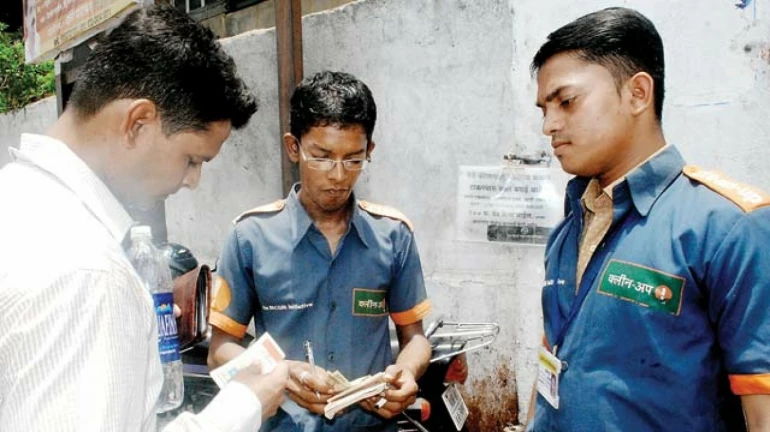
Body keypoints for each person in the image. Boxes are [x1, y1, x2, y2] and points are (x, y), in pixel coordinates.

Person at [0, 5, 288, 431]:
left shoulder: (19, 198)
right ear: (137, 122)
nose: (192, 181)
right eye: (191, 159)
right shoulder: (89, 274)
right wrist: (242, 407)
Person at [524, 7, 770, 431]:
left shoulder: (726, 227)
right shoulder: (572, 224)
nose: (549, 125)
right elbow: (553, 355)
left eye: (566, 101)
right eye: (544, 108)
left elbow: (761, 404)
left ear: (638, 93)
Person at [207, 70, 432, 431]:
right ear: (293, 147)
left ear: (369, 151)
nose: (338, 175)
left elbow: (415, 337)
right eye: (322, 156)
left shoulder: (393, 236)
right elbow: (220, 352)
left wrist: (405, 373)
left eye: (353, 159)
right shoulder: (250, 237)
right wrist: (284, 375)